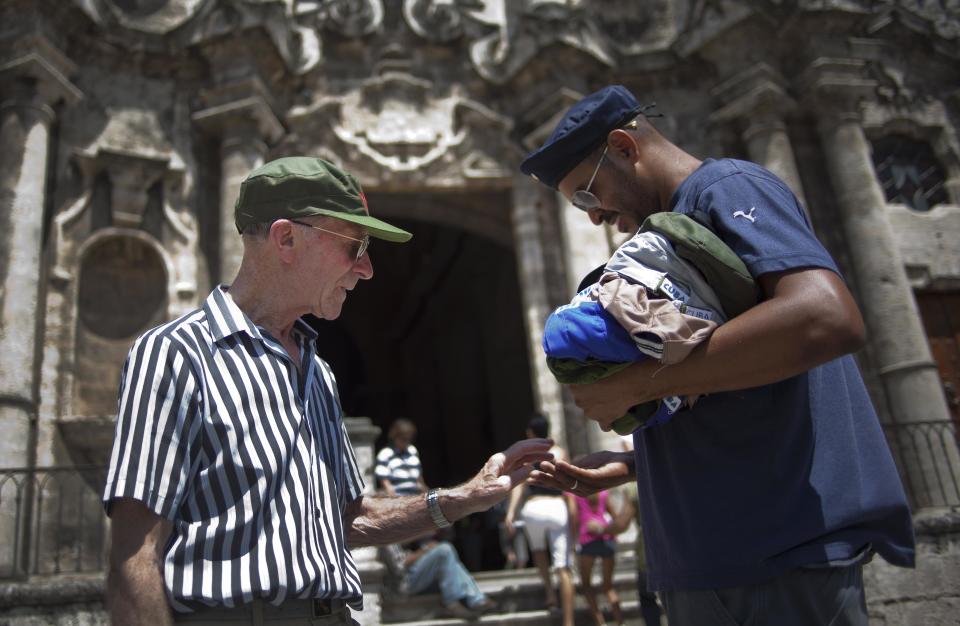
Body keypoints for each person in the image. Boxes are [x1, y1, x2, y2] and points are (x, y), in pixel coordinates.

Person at [522, 85, 915, 625]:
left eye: (587, 196)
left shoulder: (724, 188)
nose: (594, 217)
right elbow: (738, 394)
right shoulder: (672, 231)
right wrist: (632, 466)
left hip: (775, 555)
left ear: (624, 147)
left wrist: (639, 384)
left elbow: (826, 316)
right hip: (712, 564)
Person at [101, 156, 553, 626]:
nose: (368, 270)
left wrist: (464, 497)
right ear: (287, 239)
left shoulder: (319, 373)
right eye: (356, 246)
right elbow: (136, 557)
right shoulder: (176, 353)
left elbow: (348, 518)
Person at [505, 414, 575, 626]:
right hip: (557, 508)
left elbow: (520, 486)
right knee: (563, 565)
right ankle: (569, 621)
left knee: (538, 551)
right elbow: (569, 481)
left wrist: (510, 513)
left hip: (534, 507)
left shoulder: (528, 455)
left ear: (530, 432)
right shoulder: (560, 452)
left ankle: (550, 595)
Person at [382, 537, 498, 618]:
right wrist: (426, 550)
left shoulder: (390, 533)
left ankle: (476, 599)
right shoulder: (383, 537)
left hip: (412, 578)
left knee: (453, 564)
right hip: (404, 584)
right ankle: (452, 601)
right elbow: (400, 564)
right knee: (444, 550)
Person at [573, 489, 624, 626]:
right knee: (608, 586)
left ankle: (600, 623)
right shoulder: (603, 493)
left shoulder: (575, 494)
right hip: (607, 538)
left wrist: (573, 539)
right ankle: (620, 622)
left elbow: (573, 516)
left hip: (587, 539)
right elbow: (616, 517)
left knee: (586, 586)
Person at [375, 418, 428, 496]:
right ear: (394, 437)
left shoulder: (412, 450)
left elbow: (419, 478)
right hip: (397, 496)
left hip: (415, 494)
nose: (407, 442)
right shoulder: (385, 453)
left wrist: (426, 492)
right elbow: (385, 482)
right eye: (403, 439)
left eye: (409, 439)